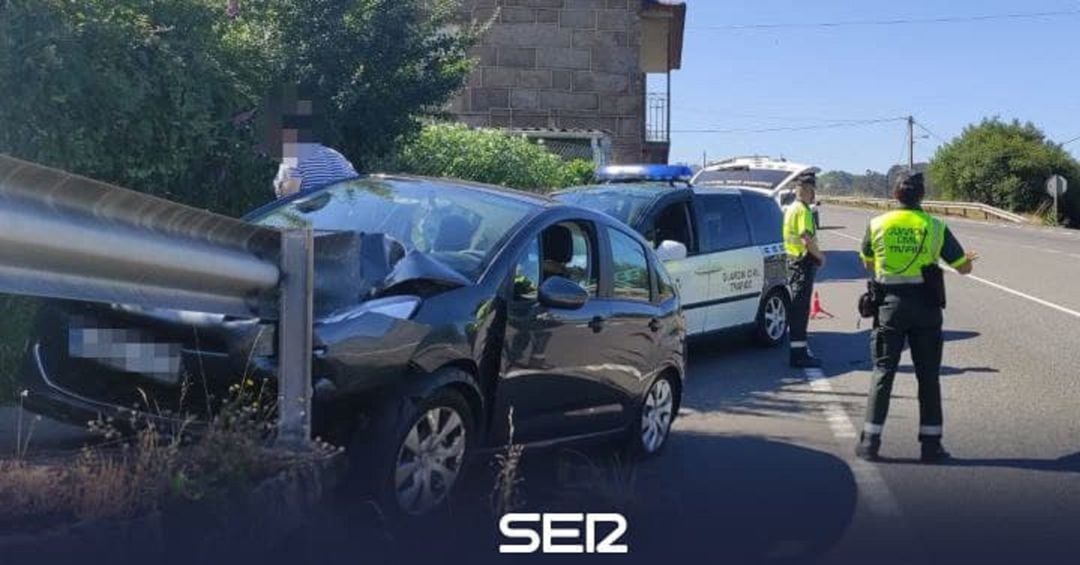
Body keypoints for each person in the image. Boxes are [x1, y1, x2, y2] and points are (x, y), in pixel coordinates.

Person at [855, 172, 977, 463]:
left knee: (883, 372)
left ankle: (870, 443)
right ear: (921, 196)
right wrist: (969, 259)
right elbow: (962, 268)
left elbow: (867, 262)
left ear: (895, 196)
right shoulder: (935, 226)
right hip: (926, 309)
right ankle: (931, 446)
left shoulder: (877, 224)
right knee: (928, 376)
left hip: (889, 307)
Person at [782, 173, 826, 368]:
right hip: (802, 263)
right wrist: (820, 257)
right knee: (800, 310)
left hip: (792, 262)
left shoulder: (791, 209)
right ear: (808, 190)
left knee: (796, 309)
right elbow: (806, 238)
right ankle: (799, 356)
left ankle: (797, 352)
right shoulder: (803, 211)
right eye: (812, 190)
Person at [273, 113, 359, 199]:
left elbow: (290, 199)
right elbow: (357, 187)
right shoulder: (336, 155)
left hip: (315, 211)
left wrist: (279, 188)